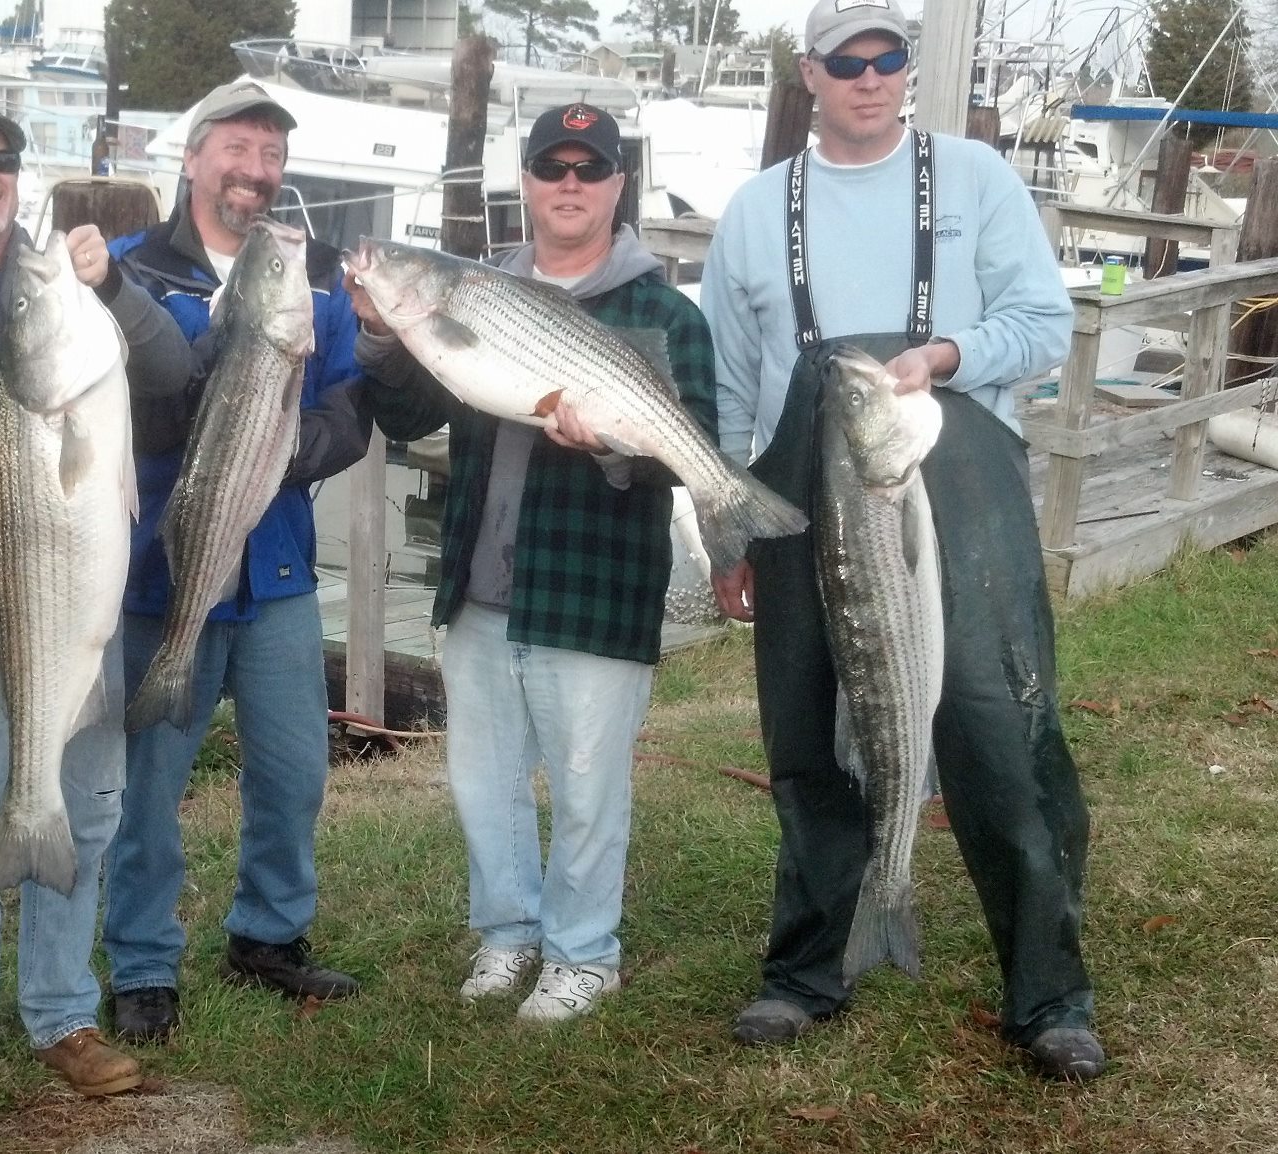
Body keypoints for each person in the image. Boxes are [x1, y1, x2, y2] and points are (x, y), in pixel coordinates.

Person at [699, 0, 1103, 1080]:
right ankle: (805, 971)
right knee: (808, 733)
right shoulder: (755, 211)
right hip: (800, 504)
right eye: (848, 62)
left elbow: (1044, 323)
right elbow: (730, 387)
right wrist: (728, 529)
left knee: (999, 730)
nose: (870, 78)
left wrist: (945, 356)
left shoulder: (974, 179)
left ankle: (1049, 994)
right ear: (810, 74)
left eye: (888, 59)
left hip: (949, 491)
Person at [350, 104, 717, 1020]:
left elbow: (692, 447)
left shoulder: (664, 314)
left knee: (589, 784)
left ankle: (585, 955)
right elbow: (406, 419)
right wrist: (385, 335)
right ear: (526, 183)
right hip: (479, 585)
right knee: (486, 781)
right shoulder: (471, 291)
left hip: (594, 592)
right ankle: (508, 934)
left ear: (619, 185)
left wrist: (612, 446)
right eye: (552, 167)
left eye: (589, 168)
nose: (569, 184)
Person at [0, 100, 193, 1128]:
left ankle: (63, 1013)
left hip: (82, 613)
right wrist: (10, 439)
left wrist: (113, 286)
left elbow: (172, 378)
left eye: (3, 157)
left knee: (87, 812)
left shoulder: (74, 297)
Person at [102, 80, 374, 1043]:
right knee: (148, 782)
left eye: (272, 155)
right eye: (237, 149)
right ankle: (142, 962)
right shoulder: (130, 273)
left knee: (295, 771)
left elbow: (349, 405)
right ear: (191, 158)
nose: (255, 171)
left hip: (280, 570)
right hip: (161, 568)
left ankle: (269, 933)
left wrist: (289, 449)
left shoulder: (319, 281)